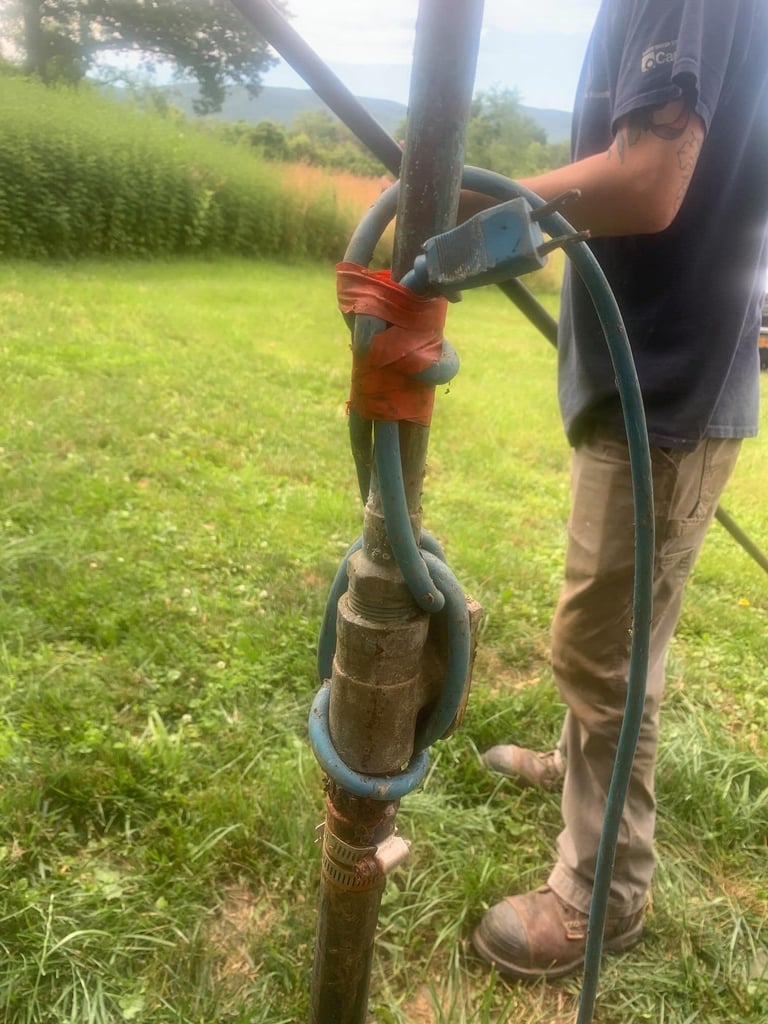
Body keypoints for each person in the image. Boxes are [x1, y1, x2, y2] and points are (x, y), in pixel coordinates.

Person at [470, 0, 768, 980]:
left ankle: (605, 889)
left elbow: (647, 181)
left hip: (666, 388)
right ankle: (576, 776)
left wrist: (470, 209)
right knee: (619, 626)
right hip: (651, 375)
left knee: (602, 648)